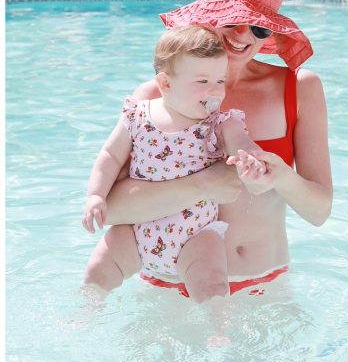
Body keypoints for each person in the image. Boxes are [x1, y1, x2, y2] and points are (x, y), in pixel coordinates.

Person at [96, 0, 333, 299]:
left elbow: (319, 212)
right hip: (167, 290)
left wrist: (281, 177)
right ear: (211, 14)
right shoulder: (158, 92)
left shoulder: (298, 89)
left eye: (259, 27)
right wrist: (202, 184)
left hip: (263, 286)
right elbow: (110, 209)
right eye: (233, 20)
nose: (243, 35)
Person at [82, 25, 267, 302]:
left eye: (220, 80)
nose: (216, 91)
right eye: (203, 81)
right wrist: (96, 196)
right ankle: (84, 314)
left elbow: (242, 143)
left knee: (212, 283)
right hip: (135, 230)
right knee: (98, 270)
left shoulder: (220, 123)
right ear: (166, 84)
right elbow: (110, 156)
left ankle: (220, 323)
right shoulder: (137, 115)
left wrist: (250, 157)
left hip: (195, 235)